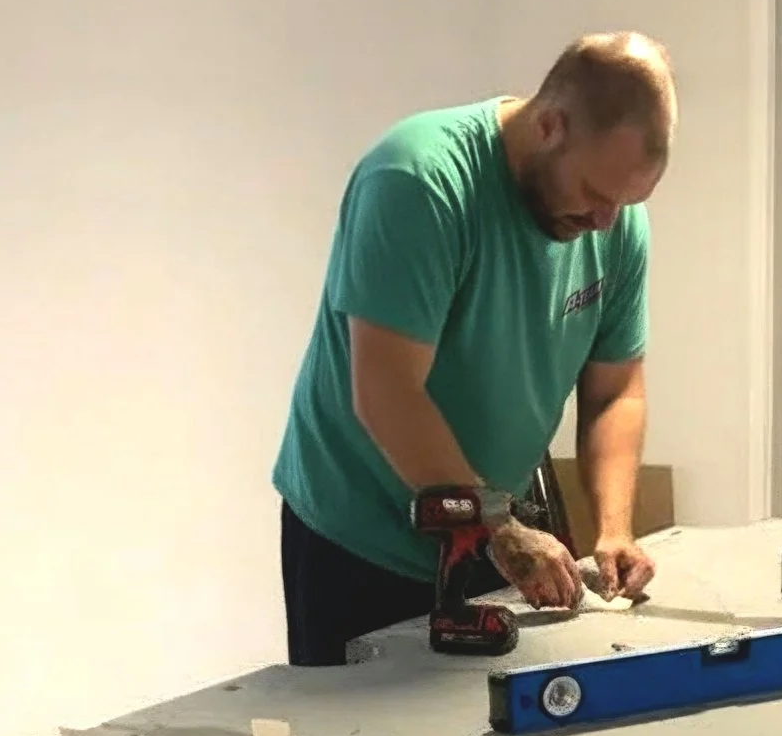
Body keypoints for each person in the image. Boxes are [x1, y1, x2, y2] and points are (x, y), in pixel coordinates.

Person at [272, 33, 675, 666]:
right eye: (597, 193)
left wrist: (614, 530)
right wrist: (499, 524)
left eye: (627, 201)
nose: (606, 221)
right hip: (361, 533)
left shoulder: (615, 220)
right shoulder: (418, 181)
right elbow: (385, 390)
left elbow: (615, 391)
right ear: (549, 125)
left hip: (482, 528)